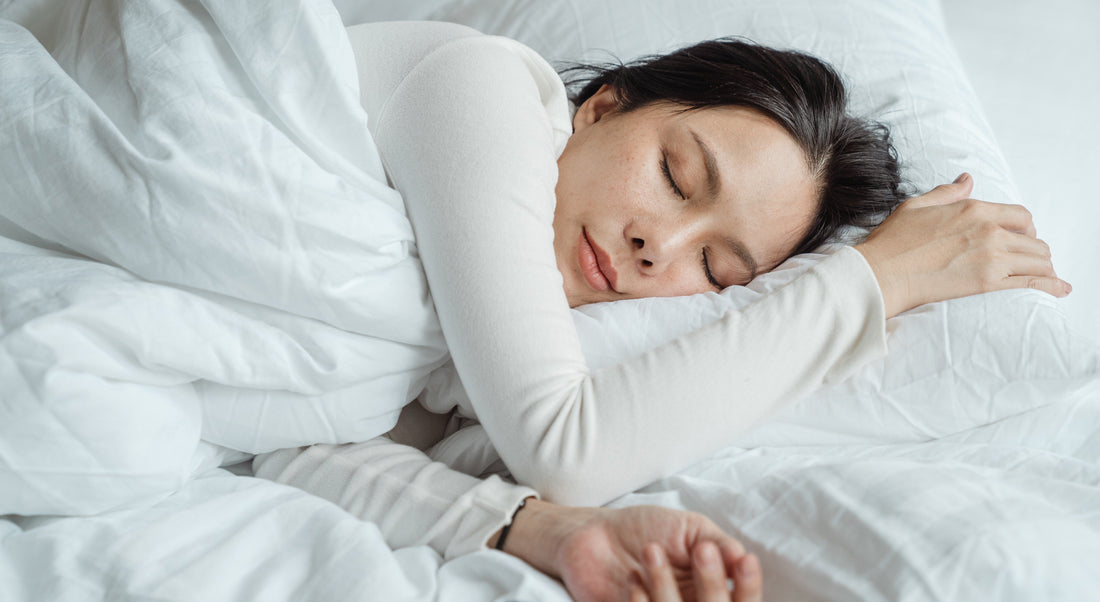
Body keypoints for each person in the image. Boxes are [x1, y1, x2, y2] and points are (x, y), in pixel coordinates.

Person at [254, 20, 1067, 602]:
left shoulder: (448, 353)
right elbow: (565, 447)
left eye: (715, 268)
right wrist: (874, 282)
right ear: (603, 108)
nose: (659, 245)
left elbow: (283, 451)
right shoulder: (478, 86)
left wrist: (549, 534)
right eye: (677, 176)